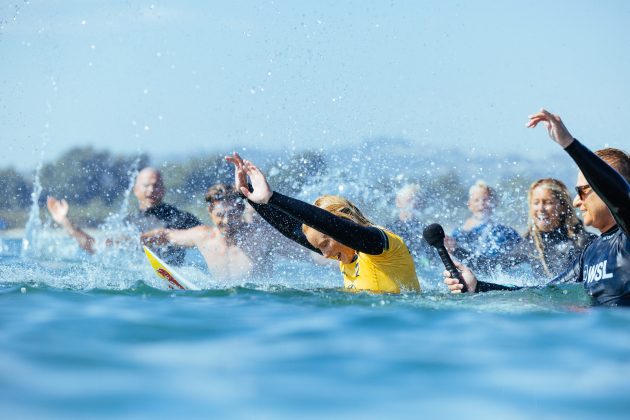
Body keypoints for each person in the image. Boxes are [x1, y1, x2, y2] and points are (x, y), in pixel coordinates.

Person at [444, 109, 630, 306]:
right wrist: (478, 287)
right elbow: (545, 292)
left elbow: (621, 198)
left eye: (583, 191)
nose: (576, 202)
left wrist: (569, 143)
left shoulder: (626, 240)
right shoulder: (591, 252)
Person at [226, 152, 420, 294]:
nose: (325, 255)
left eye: (326, 244)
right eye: (321, 248)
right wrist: (248, 194)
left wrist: (273, 198)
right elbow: (292, 229)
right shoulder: (344, 253)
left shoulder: (379, 244)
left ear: (343, 221)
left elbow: (331, 226)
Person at [47, 167, 201, 265]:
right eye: (146, 185)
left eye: (156, 185)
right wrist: (65, 222)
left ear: (164, 189)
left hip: (175, 276)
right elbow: (95, 247)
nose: (151, 190)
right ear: (135, 190)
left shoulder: (179, 218)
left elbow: (210, 237)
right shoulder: (128, 223)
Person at [452, 178, 594, 278]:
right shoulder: (529, 245)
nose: (541, 209)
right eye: (536, 203)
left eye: (548, 202)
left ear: (562, 206)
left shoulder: (583, 242)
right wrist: (455, 249)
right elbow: (493, 267)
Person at [142, 183, 276, 279]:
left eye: (232, 214)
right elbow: (167, 235)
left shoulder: (261, 236)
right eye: (220, 215)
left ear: (241, 210)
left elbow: (296, 247)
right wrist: (138, 239)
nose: (226, 221)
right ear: (210, 213)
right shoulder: (203, 236)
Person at [450, 180, 521, 260]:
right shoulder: (459, 233)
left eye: (485, 199)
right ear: (469, 205)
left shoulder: (504, 232)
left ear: (495, 203)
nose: (481, 203)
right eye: (476, 200)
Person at [386, 183, 435, 267]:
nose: (413, 204)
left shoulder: (427, 232)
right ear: (398, 202)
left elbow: (433, 262)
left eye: (417, 201)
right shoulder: (388, 230)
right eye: (409, 200)